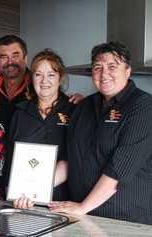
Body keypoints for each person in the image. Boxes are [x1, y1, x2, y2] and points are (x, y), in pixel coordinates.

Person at [48, 41, 152, 225]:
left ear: (127, 71)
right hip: (81, 214)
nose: (104, 74)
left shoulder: (144, 107)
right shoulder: (84, 107)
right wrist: (33, 190)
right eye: (98, 67)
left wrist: (82, 207)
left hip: (124, 219)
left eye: (112, 66)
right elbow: (69, 158)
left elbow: (121, 168)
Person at [8, 49, 75, 208]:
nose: (44, 81)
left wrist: (38, 188)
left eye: (51, 75)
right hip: (22, 199)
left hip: (61, 201)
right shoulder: (20, 112)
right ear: (32, 79)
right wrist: (11, 193)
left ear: (60, 78)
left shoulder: (75, 110)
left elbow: (76, 157)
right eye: (38, 74)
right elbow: (10, 156)